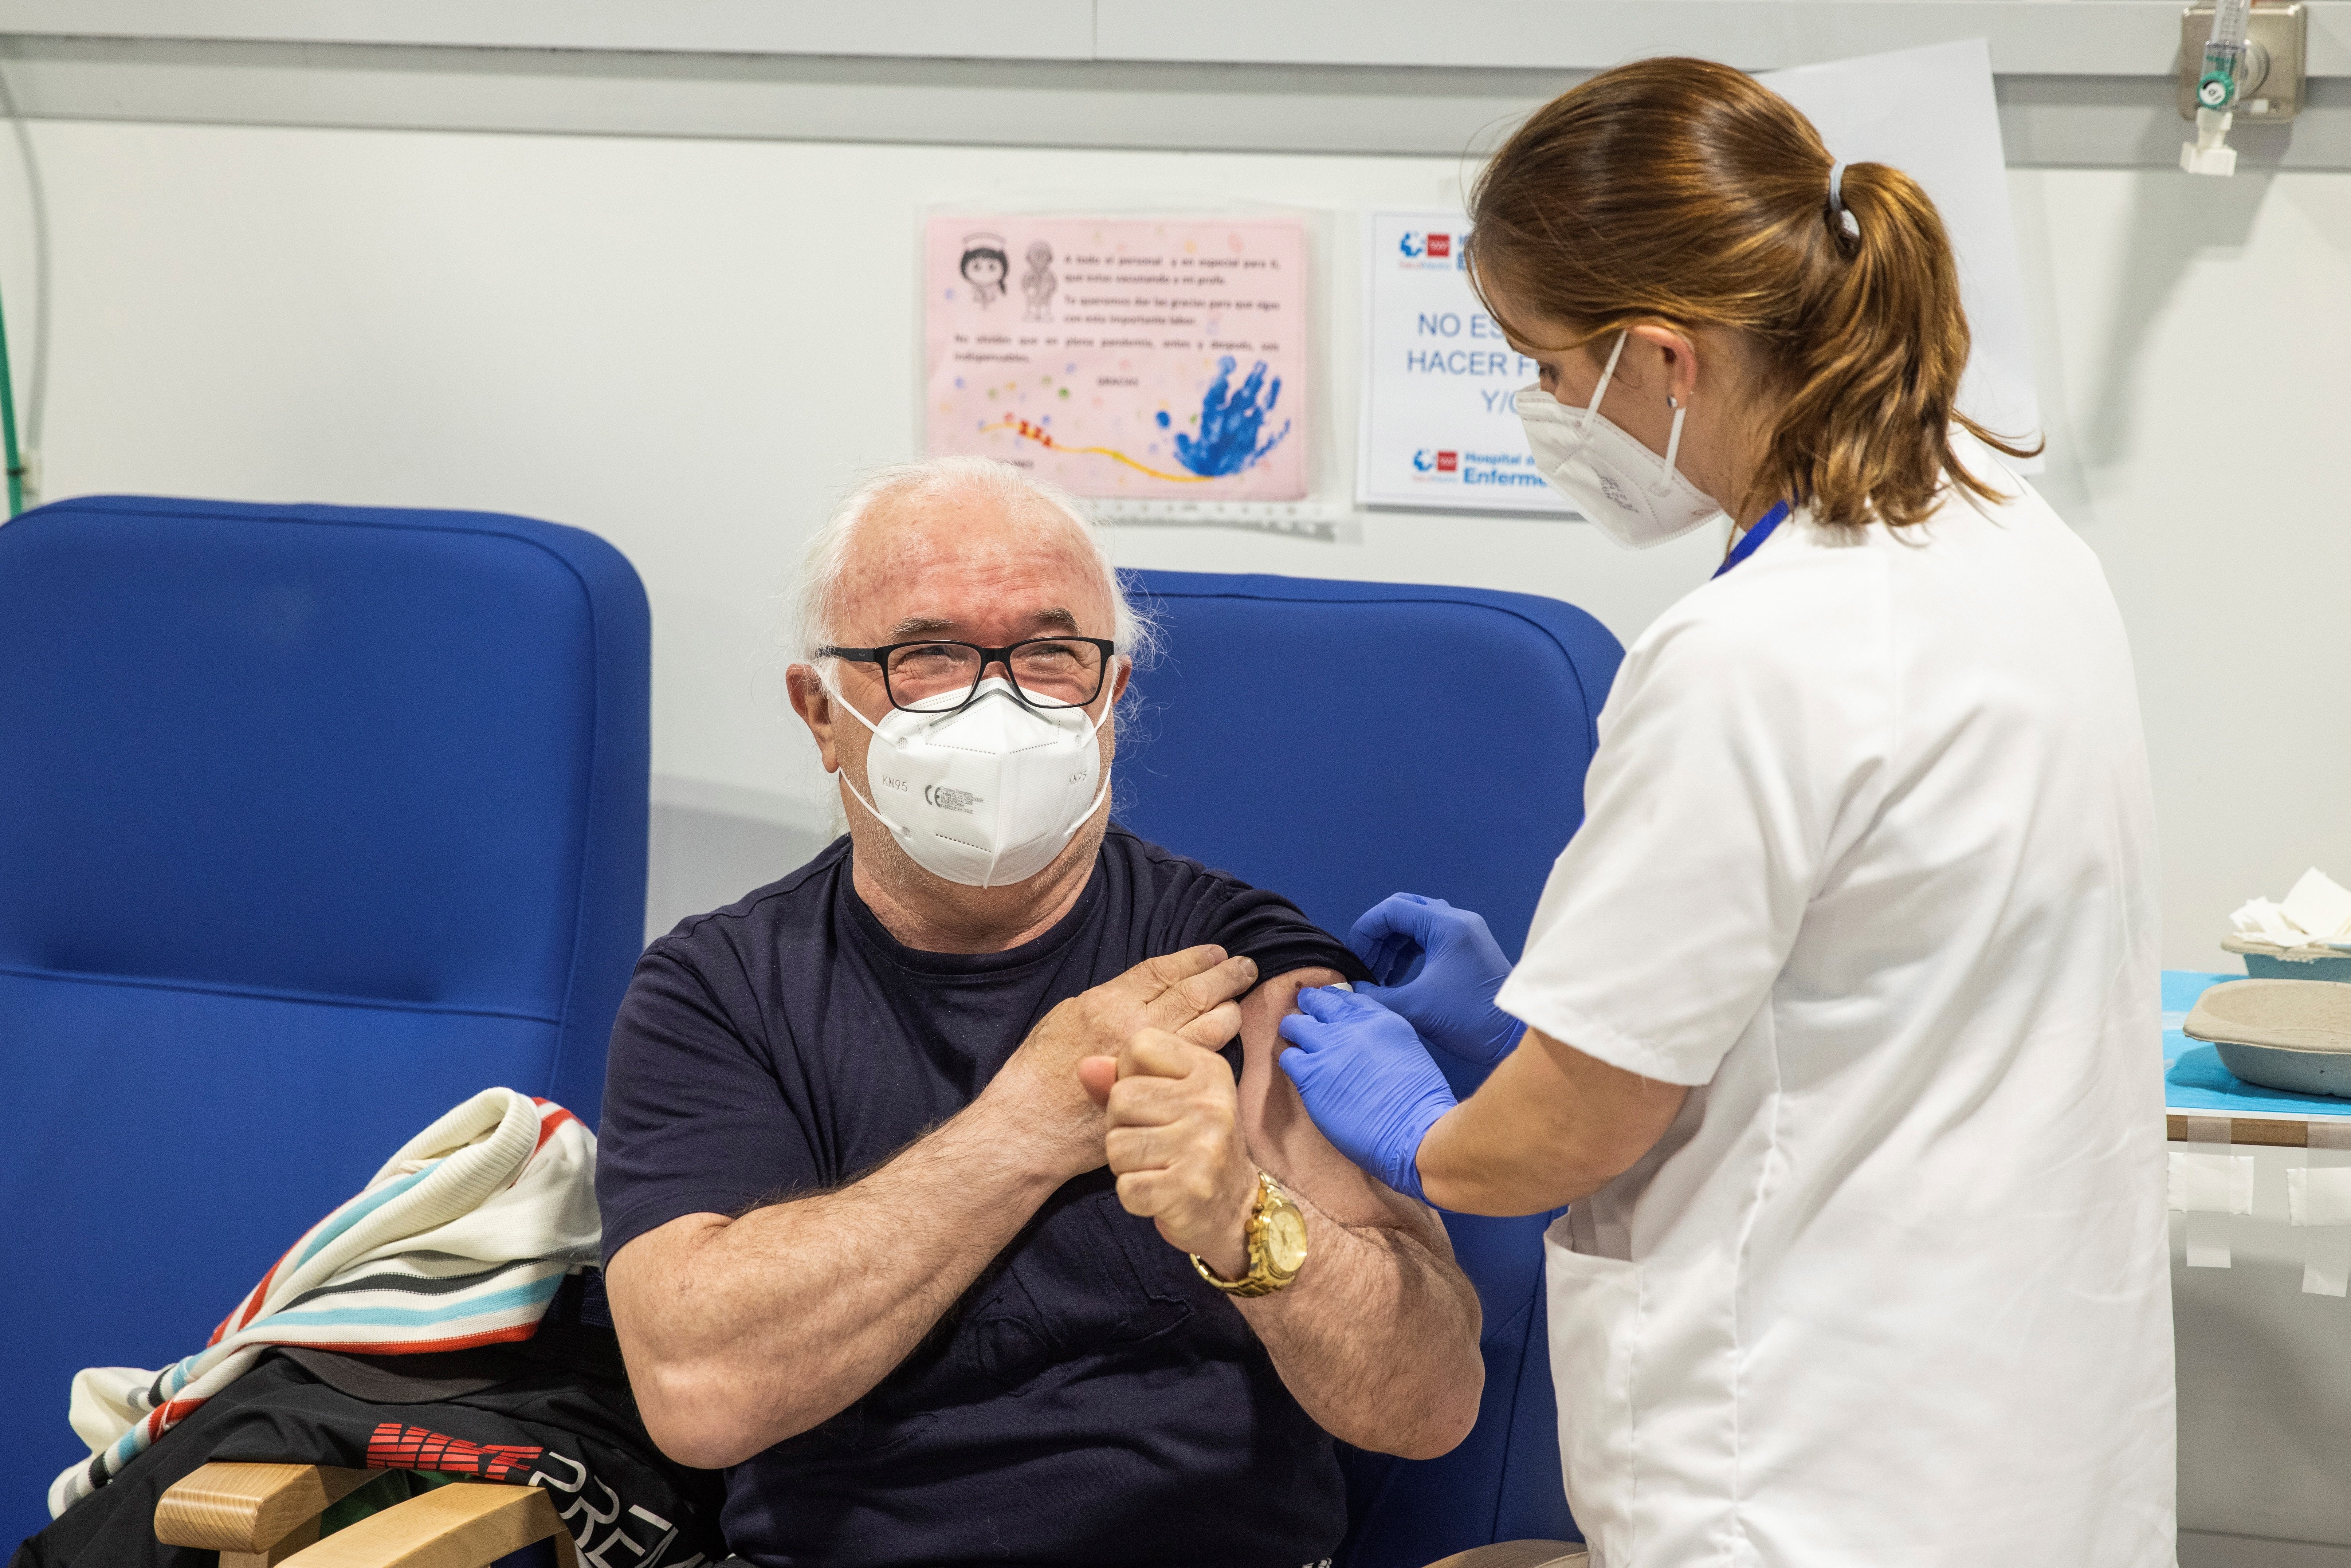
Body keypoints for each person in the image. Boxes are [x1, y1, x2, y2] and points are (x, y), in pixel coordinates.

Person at [1277, 58, 2173, 1568]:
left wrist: (1434, 1132)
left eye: (1554, 369)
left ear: (1665, 360)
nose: (1549, 411)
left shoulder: (1753, 653)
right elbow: (1864, 977)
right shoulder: (2013, 538)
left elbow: (1563, 1137)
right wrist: (1540, 1026)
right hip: (2024, 1442)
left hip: (1810, 1469)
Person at [597, 456, 1484, 1568]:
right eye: (930, 656)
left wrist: (1249, 1225)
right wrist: (1023, 1124)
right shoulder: (719, 989)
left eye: (1050, 655)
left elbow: (1433, 1396)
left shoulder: (1244, 966)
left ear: (1112, 699)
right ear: (821, 713)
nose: (998, 701)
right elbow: (697, 1389)